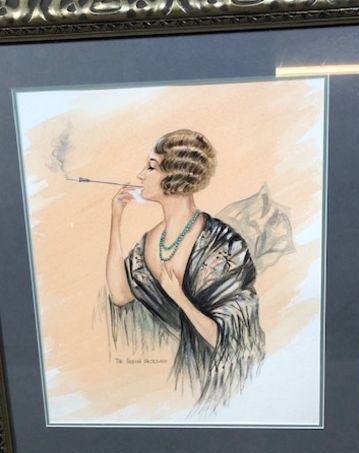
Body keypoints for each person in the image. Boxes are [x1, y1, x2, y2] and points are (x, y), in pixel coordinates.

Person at [106, 128, 265, 411]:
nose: (141, 175)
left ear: (175, 176)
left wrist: (179, 297)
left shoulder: (224, 244)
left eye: (151, 166)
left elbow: (231, 342)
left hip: (220, 387)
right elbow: (120, 295)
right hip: (168, 388)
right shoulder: (150, 240)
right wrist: (116, 218)